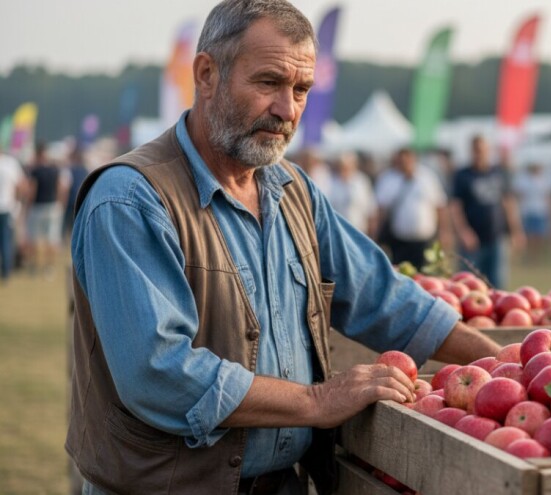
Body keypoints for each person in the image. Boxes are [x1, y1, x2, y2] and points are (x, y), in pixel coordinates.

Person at [67, 2, 500, 494]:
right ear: (206, 74)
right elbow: (157, 372)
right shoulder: (130, 198)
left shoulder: (292, 189)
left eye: (301, 90)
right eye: (269, 83)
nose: (287, 109)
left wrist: (512, 366)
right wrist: (316, 401)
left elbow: (386, 299)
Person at [449, 135, 525, 289]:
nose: (479, 154)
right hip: (472, 240)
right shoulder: (463, 175)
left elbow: (508, 203)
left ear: (488, 151)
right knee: (468, 284)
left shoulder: (498, 173)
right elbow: (455, 206)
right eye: (476, 150)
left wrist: (516, 230)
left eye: (482, 150)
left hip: (496, 237)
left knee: (496, 284)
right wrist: (464, 232)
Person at [375, 147, 449, 269]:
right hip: (399, 240)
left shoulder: (427, 177)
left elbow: (439, 205)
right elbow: (381, 209)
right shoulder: (388, 179)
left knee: (424, 273)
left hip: (425, 239)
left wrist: (444, 232)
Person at [25, 141, 70, 275]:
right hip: (53, 206)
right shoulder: (55, 170)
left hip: (38, 206)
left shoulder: (35, 171)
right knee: (52, 238)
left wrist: (27, 207)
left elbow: (32, 190)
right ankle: (49, 268)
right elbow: (61, 188)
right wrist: (61, 204)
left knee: (34, 238)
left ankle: (34, 266)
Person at [327, 151, 376, 236]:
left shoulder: (361, 181)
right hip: (338, 230)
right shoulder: (332, 182)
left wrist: (372, 228)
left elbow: (370, 207)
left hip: (359, 229)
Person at [513, 163, 551, 263]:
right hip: (528, 211)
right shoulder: (524, 180)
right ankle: (529, 256)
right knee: (529, 235)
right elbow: (519, 194)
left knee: (539, 235)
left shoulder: (544, 180)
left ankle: (535, 257)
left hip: (540, 211)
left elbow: (548, 195)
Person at [0, 145, 26, 281]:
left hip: (6, 206)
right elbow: (21, 185)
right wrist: (17, 203)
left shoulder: (11, 163)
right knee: (6, 239)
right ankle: (6, 271)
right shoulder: (10, 164)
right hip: (7, 207)